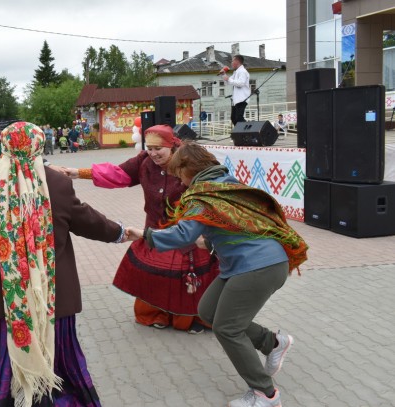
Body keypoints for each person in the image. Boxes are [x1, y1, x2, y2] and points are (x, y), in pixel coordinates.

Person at [0, 122, 128, 406]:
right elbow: (89, 221)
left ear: (4, 146)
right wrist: (121, 233)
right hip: (47, 301)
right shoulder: (57, 183)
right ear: (38, 147)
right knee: (53, 361)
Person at [129, 141, 308, 407]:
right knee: (209, 311)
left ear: (190, 169)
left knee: (227, 328)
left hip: (259, 266)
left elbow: (183, 234)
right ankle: (273, 342)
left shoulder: (202, 194)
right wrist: (211, 242)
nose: (182, 183)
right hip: (249, 263)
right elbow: (237, 225)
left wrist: (146, 235)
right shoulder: (225, 182)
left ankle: (266, 394)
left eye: (180, 175)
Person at [66, 125, 220, 334]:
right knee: (154, 276)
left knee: (189, 279)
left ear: (171, 145)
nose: (153, 153)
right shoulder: (144, 162)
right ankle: (156, 315)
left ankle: (192, 319)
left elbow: (212, 185)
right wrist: (78, 173)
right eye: (150, 148)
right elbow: (117, 173)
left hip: (187, 233)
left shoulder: (188, 160)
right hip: (154, 229)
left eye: (159, 148)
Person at [222, 55, 251, 125]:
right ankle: (239, 133)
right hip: (236, 100)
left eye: (232, 61)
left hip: (242, 99)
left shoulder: (243, 71)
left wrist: (228, 79)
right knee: (234, 118)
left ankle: (247, 132)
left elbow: (241, 83)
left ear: (237, 61)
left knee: (239, 118)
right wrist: (223, 74)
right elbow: (228, 82)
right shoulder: (236, 72)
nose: (231, 63)